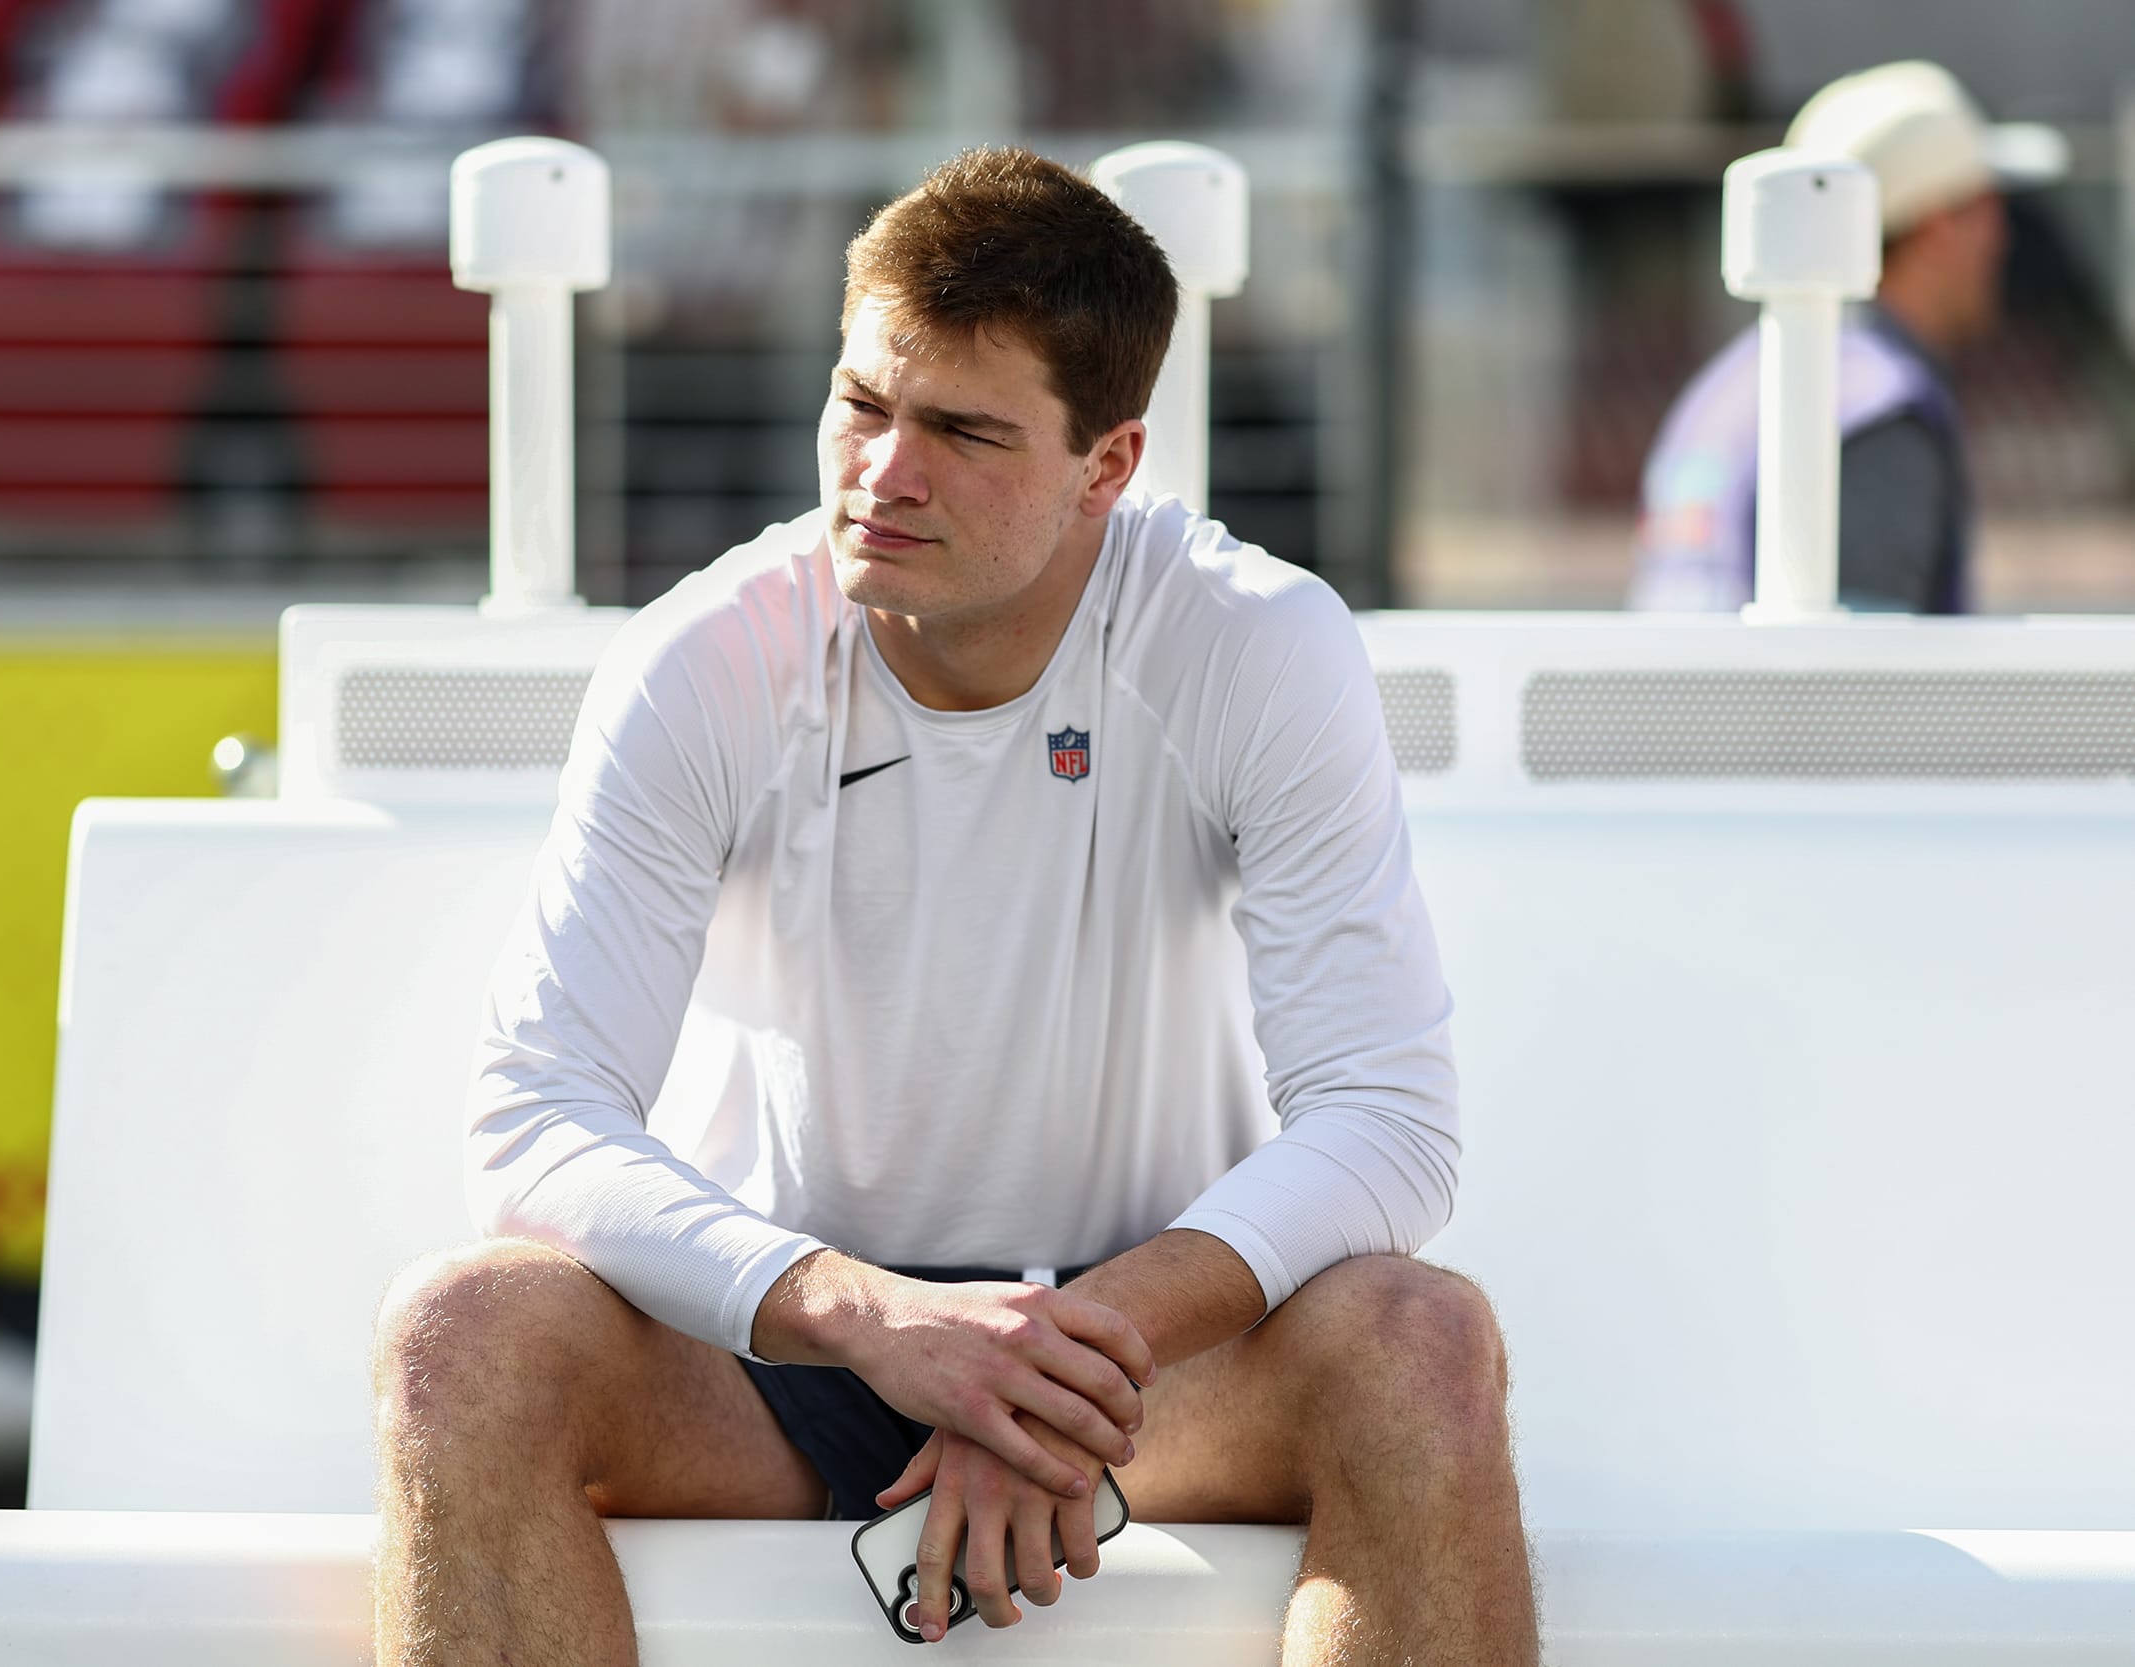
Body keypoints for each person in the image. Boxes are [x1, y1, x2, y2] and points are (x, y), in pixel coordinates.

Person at [372, 147, 1535, 1666]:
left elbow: (1390, 1114)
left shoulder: (1256, 641)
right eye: (863, 402)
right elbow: (531, 1117)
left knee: (1423, 1339)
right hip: (782, 1346)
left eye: (964, 432)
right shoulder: (705, 654)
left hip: (1139, 1356)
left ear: (1106, 467)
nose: (883, 473)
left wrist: (1053, 1359)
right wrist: (875, 1321)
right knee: (463, 1337)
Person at [1632, 60, 2065, 613]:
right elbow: (1853, 690)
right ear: (1938, 223)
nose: (2003, 237)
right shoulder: (1874, 411)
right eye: (1986, 206)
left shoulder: (1721, 390)